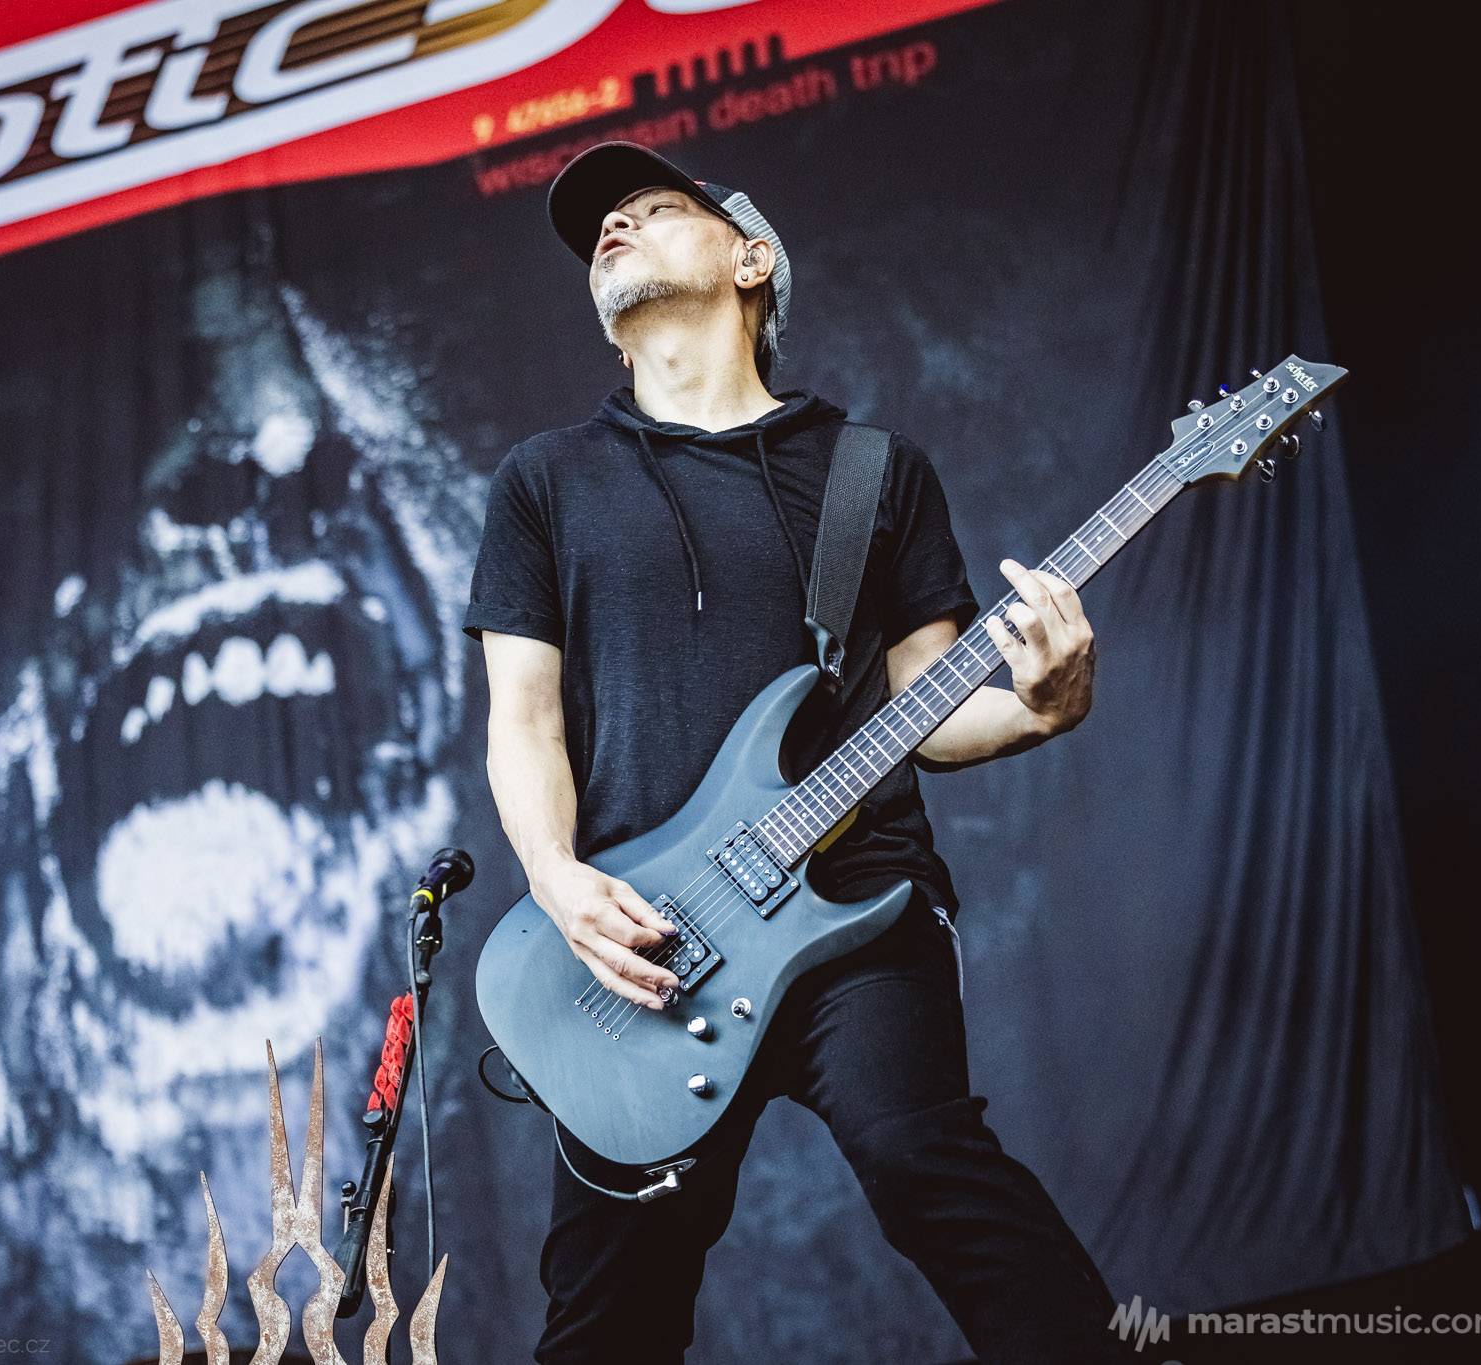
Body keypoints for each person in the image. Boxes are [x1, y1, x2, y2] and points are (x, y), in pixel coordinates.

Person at [461, 142, 1130, 1363]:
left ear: (750, 259)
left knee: (923, 1159)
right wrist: (557, 883)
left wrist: (1042, 707)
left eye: (652, 208)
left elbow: (928, 708)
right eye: (600, 228)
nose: (613, 227)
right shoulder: (543, 480)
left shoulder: (871, 471)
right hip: (648, 945)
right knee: (605, 1311)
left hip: (854, 901)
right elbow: (524, 721)